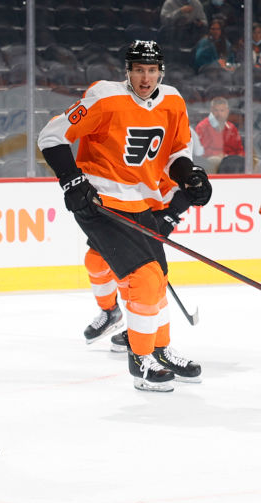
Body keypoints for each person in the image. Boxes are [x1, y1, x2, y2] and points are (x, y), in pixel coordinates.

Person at [38, 41, 211, 392]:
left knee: (158, 280)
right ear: (127, 71)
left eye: (151, 70)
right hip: (100, 203)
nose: (145, 77)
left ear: (161, 71)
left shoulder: (173, 101)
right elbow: (51, 136)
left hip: (141, 202)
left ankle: (159, 350)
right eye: (138, 70)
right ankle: (140, 359)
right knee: (144, 280)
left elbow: (176, 153)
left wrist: (189, 176)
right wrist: (73, 180)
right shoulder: (105, 97)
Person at [194, 96, 244, 171]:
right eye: (216, 110)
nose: (219, 113)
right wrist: (219, 155)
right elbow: (200, 153)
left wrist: (240, 157)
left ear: (227, 111)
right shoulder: (202, 127)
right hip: (212, 161)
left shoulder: (231, 127)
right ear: (211, 111)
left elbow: (239, 149)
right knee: (215, 160)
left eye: (222, 110)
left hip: (231, 161)